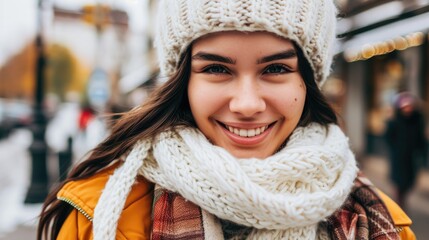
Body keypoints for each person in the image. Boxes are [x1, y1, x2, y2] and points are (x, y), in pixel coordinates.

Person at [37, 0, 415, 239]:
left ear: (308, 81)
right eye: (217, 68)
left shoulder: (378, 222)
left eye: (276, 68)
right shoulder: (99, 213)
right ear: (183, 81)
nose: (247, 104)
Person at [385, 92, 427, 209]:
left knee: (409, 183)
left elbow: (421, 140)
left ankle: (401, 203)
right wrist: (397, 148)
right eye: (405, 107)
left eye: (409, 106)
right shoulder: (394, 121)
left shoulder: (417, 120)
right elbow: (388, 137)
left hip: (412, 158)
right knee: (398, 184)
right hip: (398, 157)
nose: (407, 109)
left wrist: (422, 154)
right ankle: (399, 206)